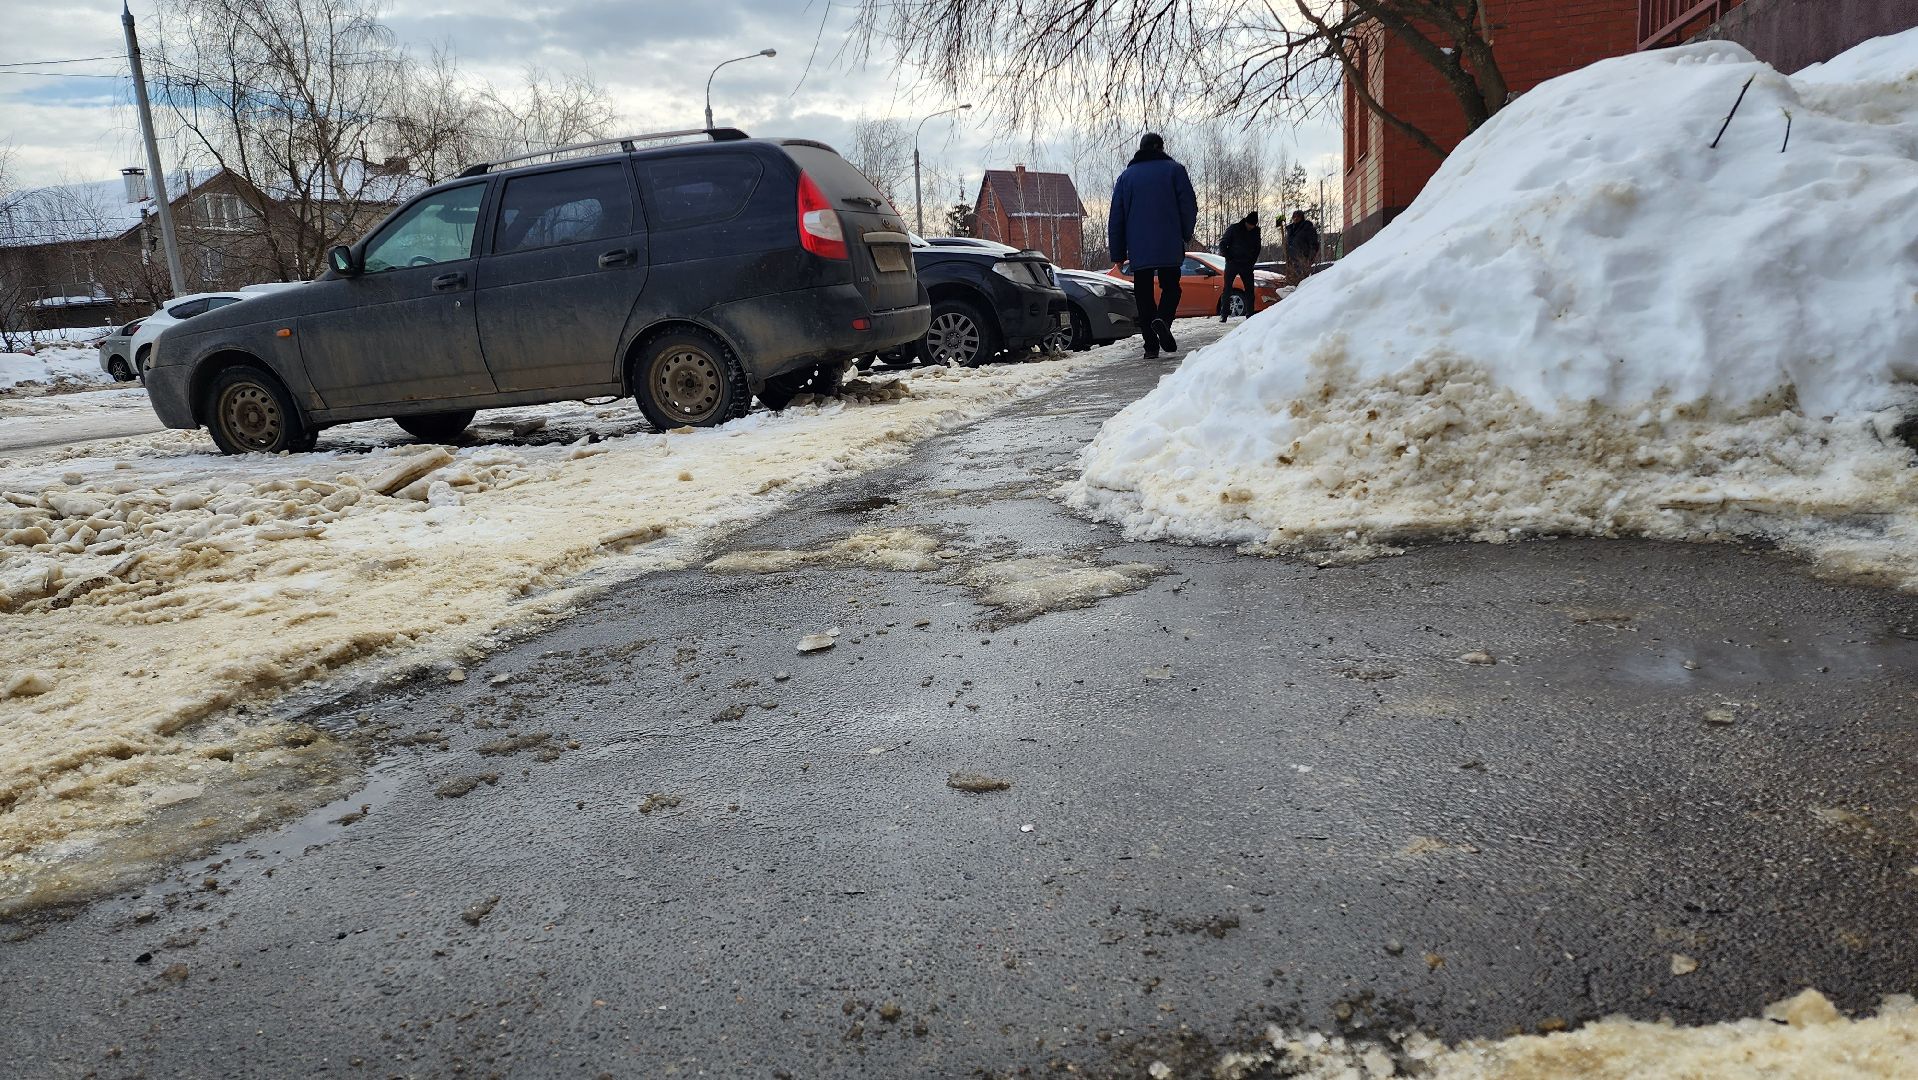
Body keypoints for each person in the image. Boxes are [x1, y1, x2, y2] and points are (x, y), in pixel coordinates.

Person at [1108, 132, 1198, 359]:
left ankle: (1150, 346)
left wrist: (1118, 252)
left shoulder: (1126, 177)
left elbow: (1116, 217)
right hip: (1169, 241)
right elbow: (1189, 205)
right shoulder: (1175, 170)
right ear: (1160, 148)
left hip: (1139, 247)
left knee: (1143, 293)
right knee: (1171, 287)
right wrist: (1184, 234)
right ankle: (1163, 320)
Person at [1216, 210, 1262, 322]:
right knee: (1227, 289)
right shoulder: (1234, 228)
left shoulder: (1256, 232)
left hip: (1247, 264)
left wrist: (1252, 262)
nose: (1251, 227)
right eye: (1250, 224)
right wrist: (1227, 256)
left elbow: (1257, 248)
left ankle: (1250, 314)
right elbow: (1223, 243)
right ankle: (1224, 314)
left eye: (1253, 225)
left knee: (1249, 289)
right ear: (1246, 222)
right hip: (1233, 263)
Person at [1284, 210, 1322, 283]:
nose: (1295, 219)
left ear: (1302, 218)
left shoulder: (1308, 229)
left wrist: (1309, 259)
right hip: (1292, 262)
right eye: (1294, 217)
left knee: (1303, 283)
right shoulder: (1291, 230)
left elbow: (1314, 245)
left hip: (1303, 261)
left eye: (1298, 217)